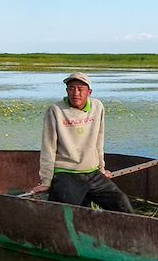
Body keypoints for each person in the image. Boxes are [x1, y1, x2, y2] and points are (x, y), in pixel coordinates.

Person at [29, 72, 133, 213]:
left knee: (121, 203)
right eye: (71, 88)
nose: (75, 93)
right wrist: (46, 181)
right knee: (69, 212)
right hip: (66, 173)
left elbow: (98, 140)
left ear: (89, 92)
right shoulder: (55, 111)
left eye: (80, 89)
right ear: (67, 91)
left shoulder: (97, 107)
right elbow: (48, 147)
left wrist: (102, 169)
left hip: (92, 173)